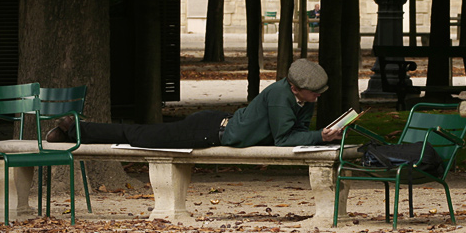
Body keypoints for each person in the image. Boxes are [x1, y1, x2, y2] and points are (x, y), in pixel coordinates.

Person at [46, 59, 342, 148]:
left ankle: (71, 132)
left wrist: (321, 135)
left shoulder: (303, 99)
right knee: (138, 135)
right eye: (314, 93)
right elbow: (284, 139)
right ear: (295, 87)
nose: (318, 97)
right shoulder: (280, 96)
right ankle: (77, 129)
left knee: (141, 134)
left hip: (218, 124)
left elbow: (298, 132)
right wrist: (321, 136)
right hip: (208, 131)